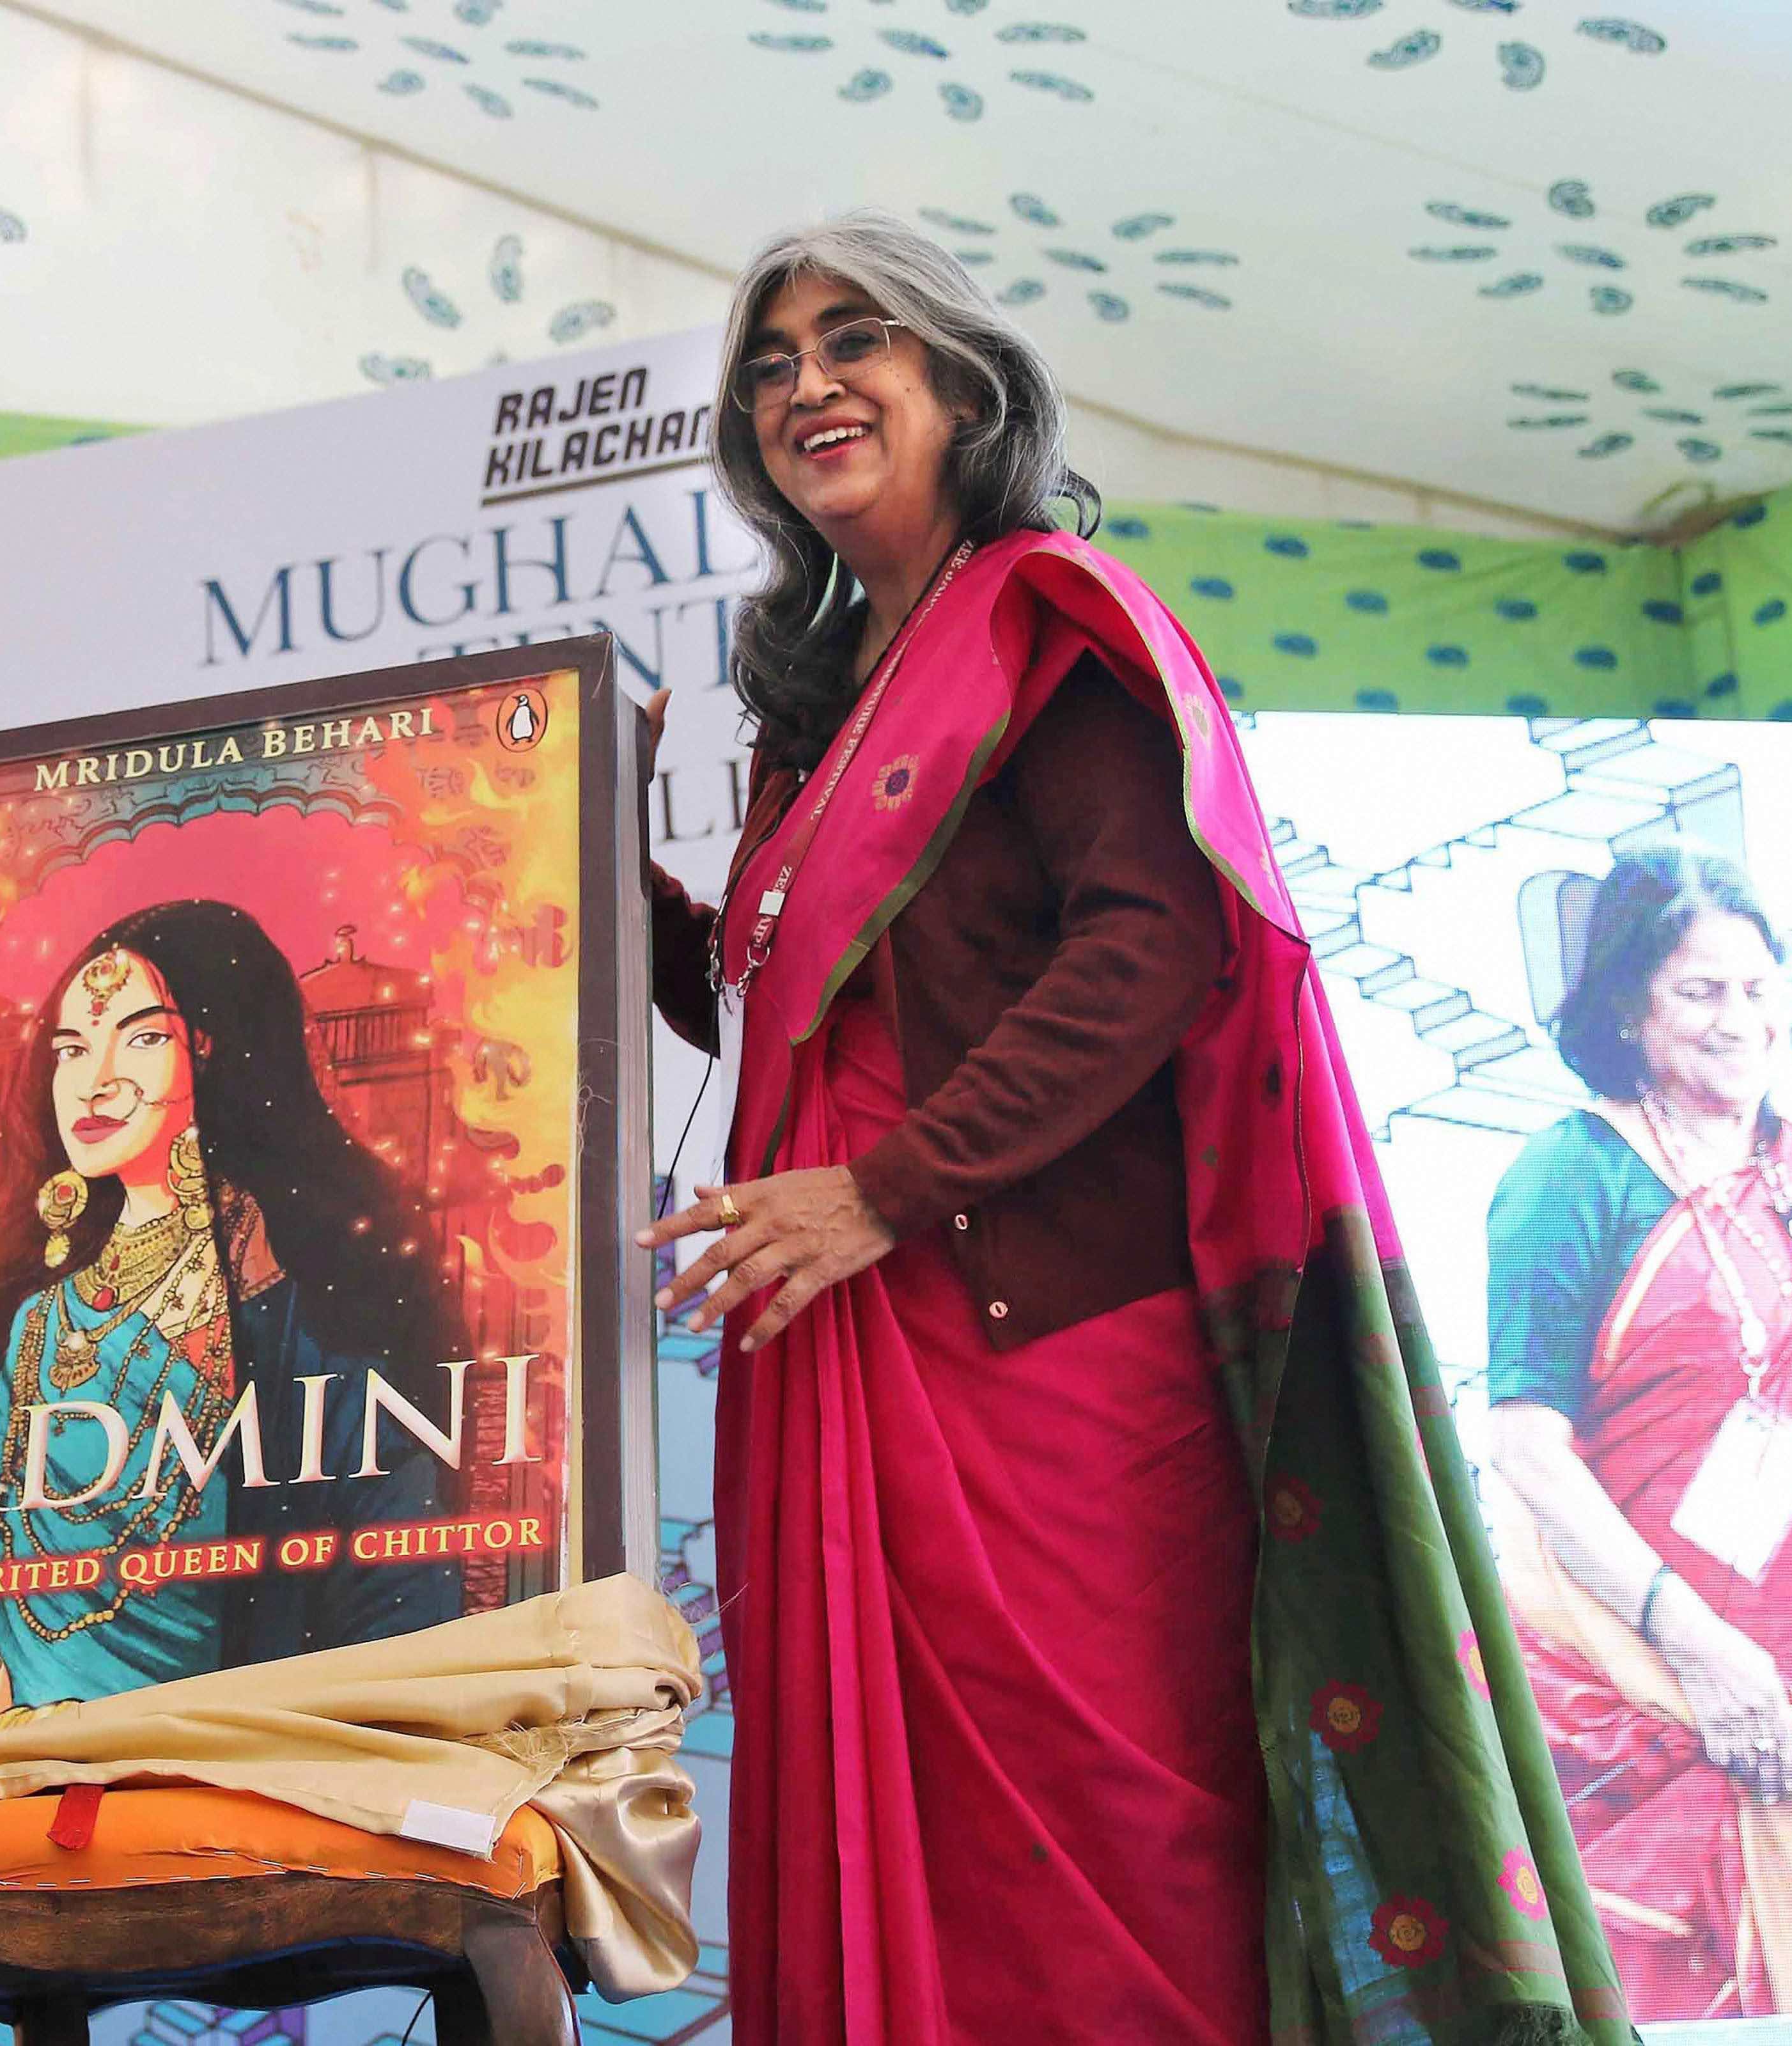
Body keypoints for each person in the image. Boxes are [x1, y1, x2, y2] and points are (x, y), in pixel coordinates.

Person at [637, 212, 1626, 2043]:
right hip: (844, 1361)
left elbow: (1153, 944)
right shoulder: (824, 699)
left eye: (856, 343)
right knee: (894, 1865)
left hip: (1040, 1372)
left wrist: (887, 1191)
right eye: (768, 365)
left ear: (963, 387)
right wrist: (607, 897)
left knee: (1104, 1875)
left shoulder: (1046, 627)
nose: (805, 386)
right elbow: (811, 1017)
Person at [0, 900, 463, 1747]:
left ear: (219, 1049)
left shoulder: (289, 1308)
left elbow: (392, 1588)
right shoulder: (31, 1307)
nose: (95, 1077)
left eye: (140, 1038)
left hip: (179, 1775)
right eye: (72, 1047)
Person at [1488, 847, 1792, 2030]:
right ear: (1625, 1005)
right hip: (1676, 1691)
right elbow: (1524, 1448)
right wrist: (1703, 1650)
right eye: (1700, 992)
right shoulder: (1569, 1178)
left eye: (1762, 988)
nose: (1742, 1022)